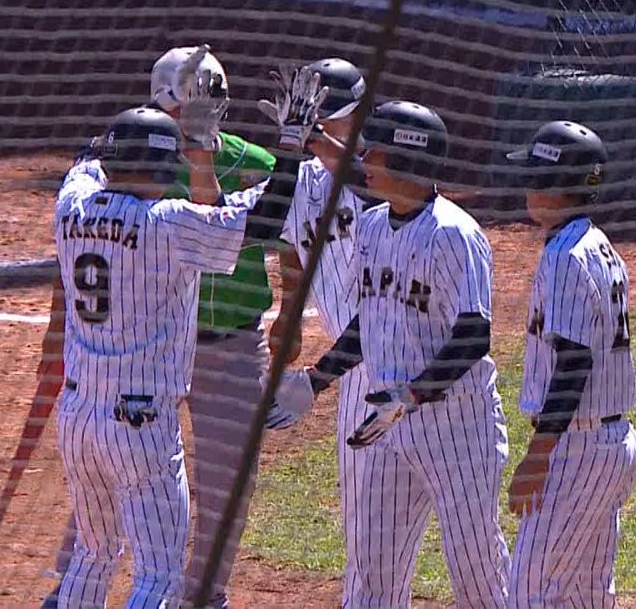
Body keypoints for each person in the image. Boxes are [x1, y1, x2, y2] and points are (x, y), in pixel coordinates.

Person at [43, 45, 299, 609]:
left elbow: (91, 157)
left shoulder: (73, 201)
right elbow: (269, 215)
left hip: (80, 416)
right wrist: (291, 148)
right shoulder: (168, 223)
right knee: (158, 575)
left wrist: (159, 114)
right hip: (140, 423)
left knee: (94, 552)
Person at [276, 101, 511, 607]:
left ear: (407, 160)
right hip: (387, 427)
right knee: (372, 568)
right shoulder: (374, 226)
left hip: (457, 431)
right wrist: (318, 379)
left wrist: (413, 394)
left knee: (476, 572)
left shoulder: (455, 234)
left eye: (373, 151)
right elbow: (370, 320)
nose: (364, 161)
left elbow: (473, 334)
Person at [504, 121, 636, 608]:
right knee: (585, 594)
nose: (526, 187)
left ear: (554, 185)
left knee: (528, 591)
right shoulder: (600, 245)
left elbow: (573, 363)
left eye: (534, 177)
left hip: (577, 448)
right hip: (610, 443)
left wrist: (537, 456)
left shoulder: (564, 256)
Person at [258, 57, 375, 606]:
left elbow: (366, 178)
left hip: (421, 366)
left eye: (329, 119)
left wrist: (315, 141)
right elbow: (270, 229)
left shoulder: (393, 165)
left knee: (469, 540)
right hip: (350, 371)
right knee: (365, 531)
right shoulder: (303, 180)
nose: (320, 127)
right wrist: (288, 306)